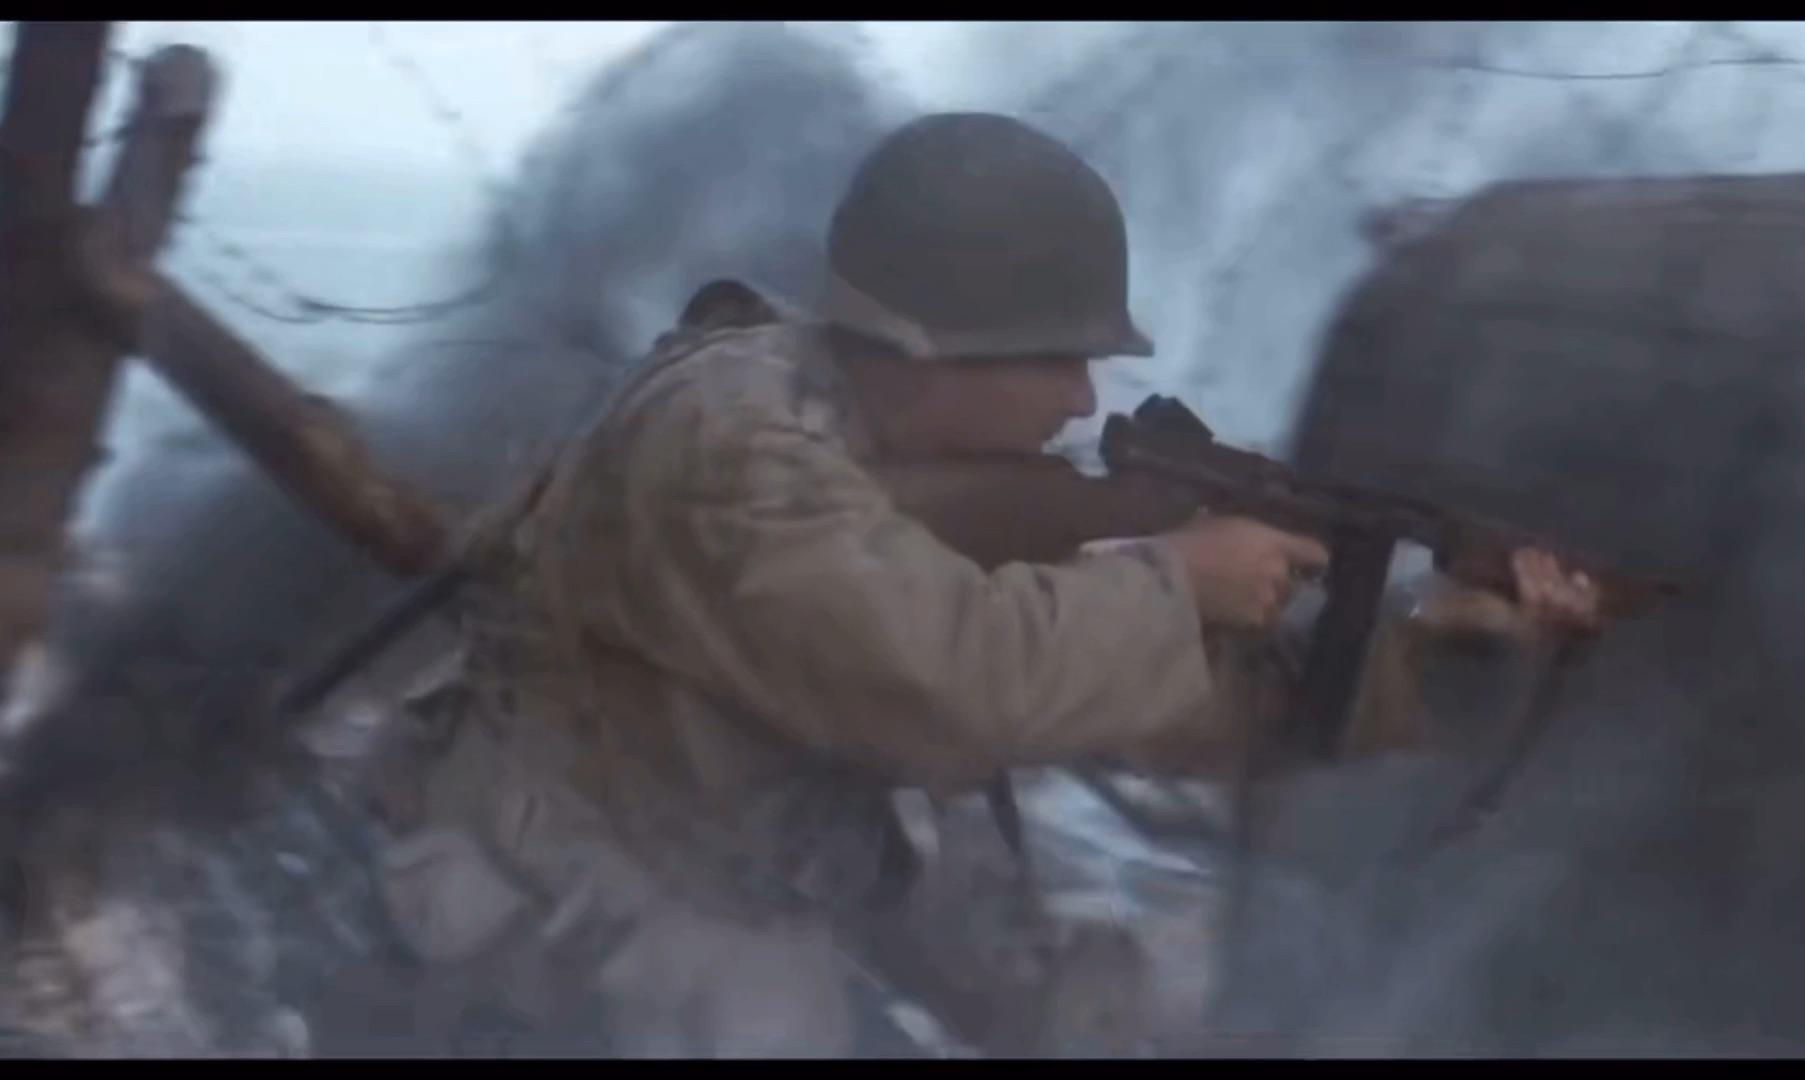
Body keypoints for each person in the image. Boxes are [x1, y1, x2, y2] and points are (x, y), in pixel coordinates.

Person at [364, 112, 1603, 1057]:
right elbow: (951, 682)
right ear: (923, 350)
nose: (1083, 398)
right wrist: (1176, 580)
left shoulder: (861, 454)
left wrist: (1430, 671)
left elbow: (1129, 697)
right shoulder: (734, 449)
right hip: (578, 929)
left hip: (719, 877)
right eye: (1058, 358)